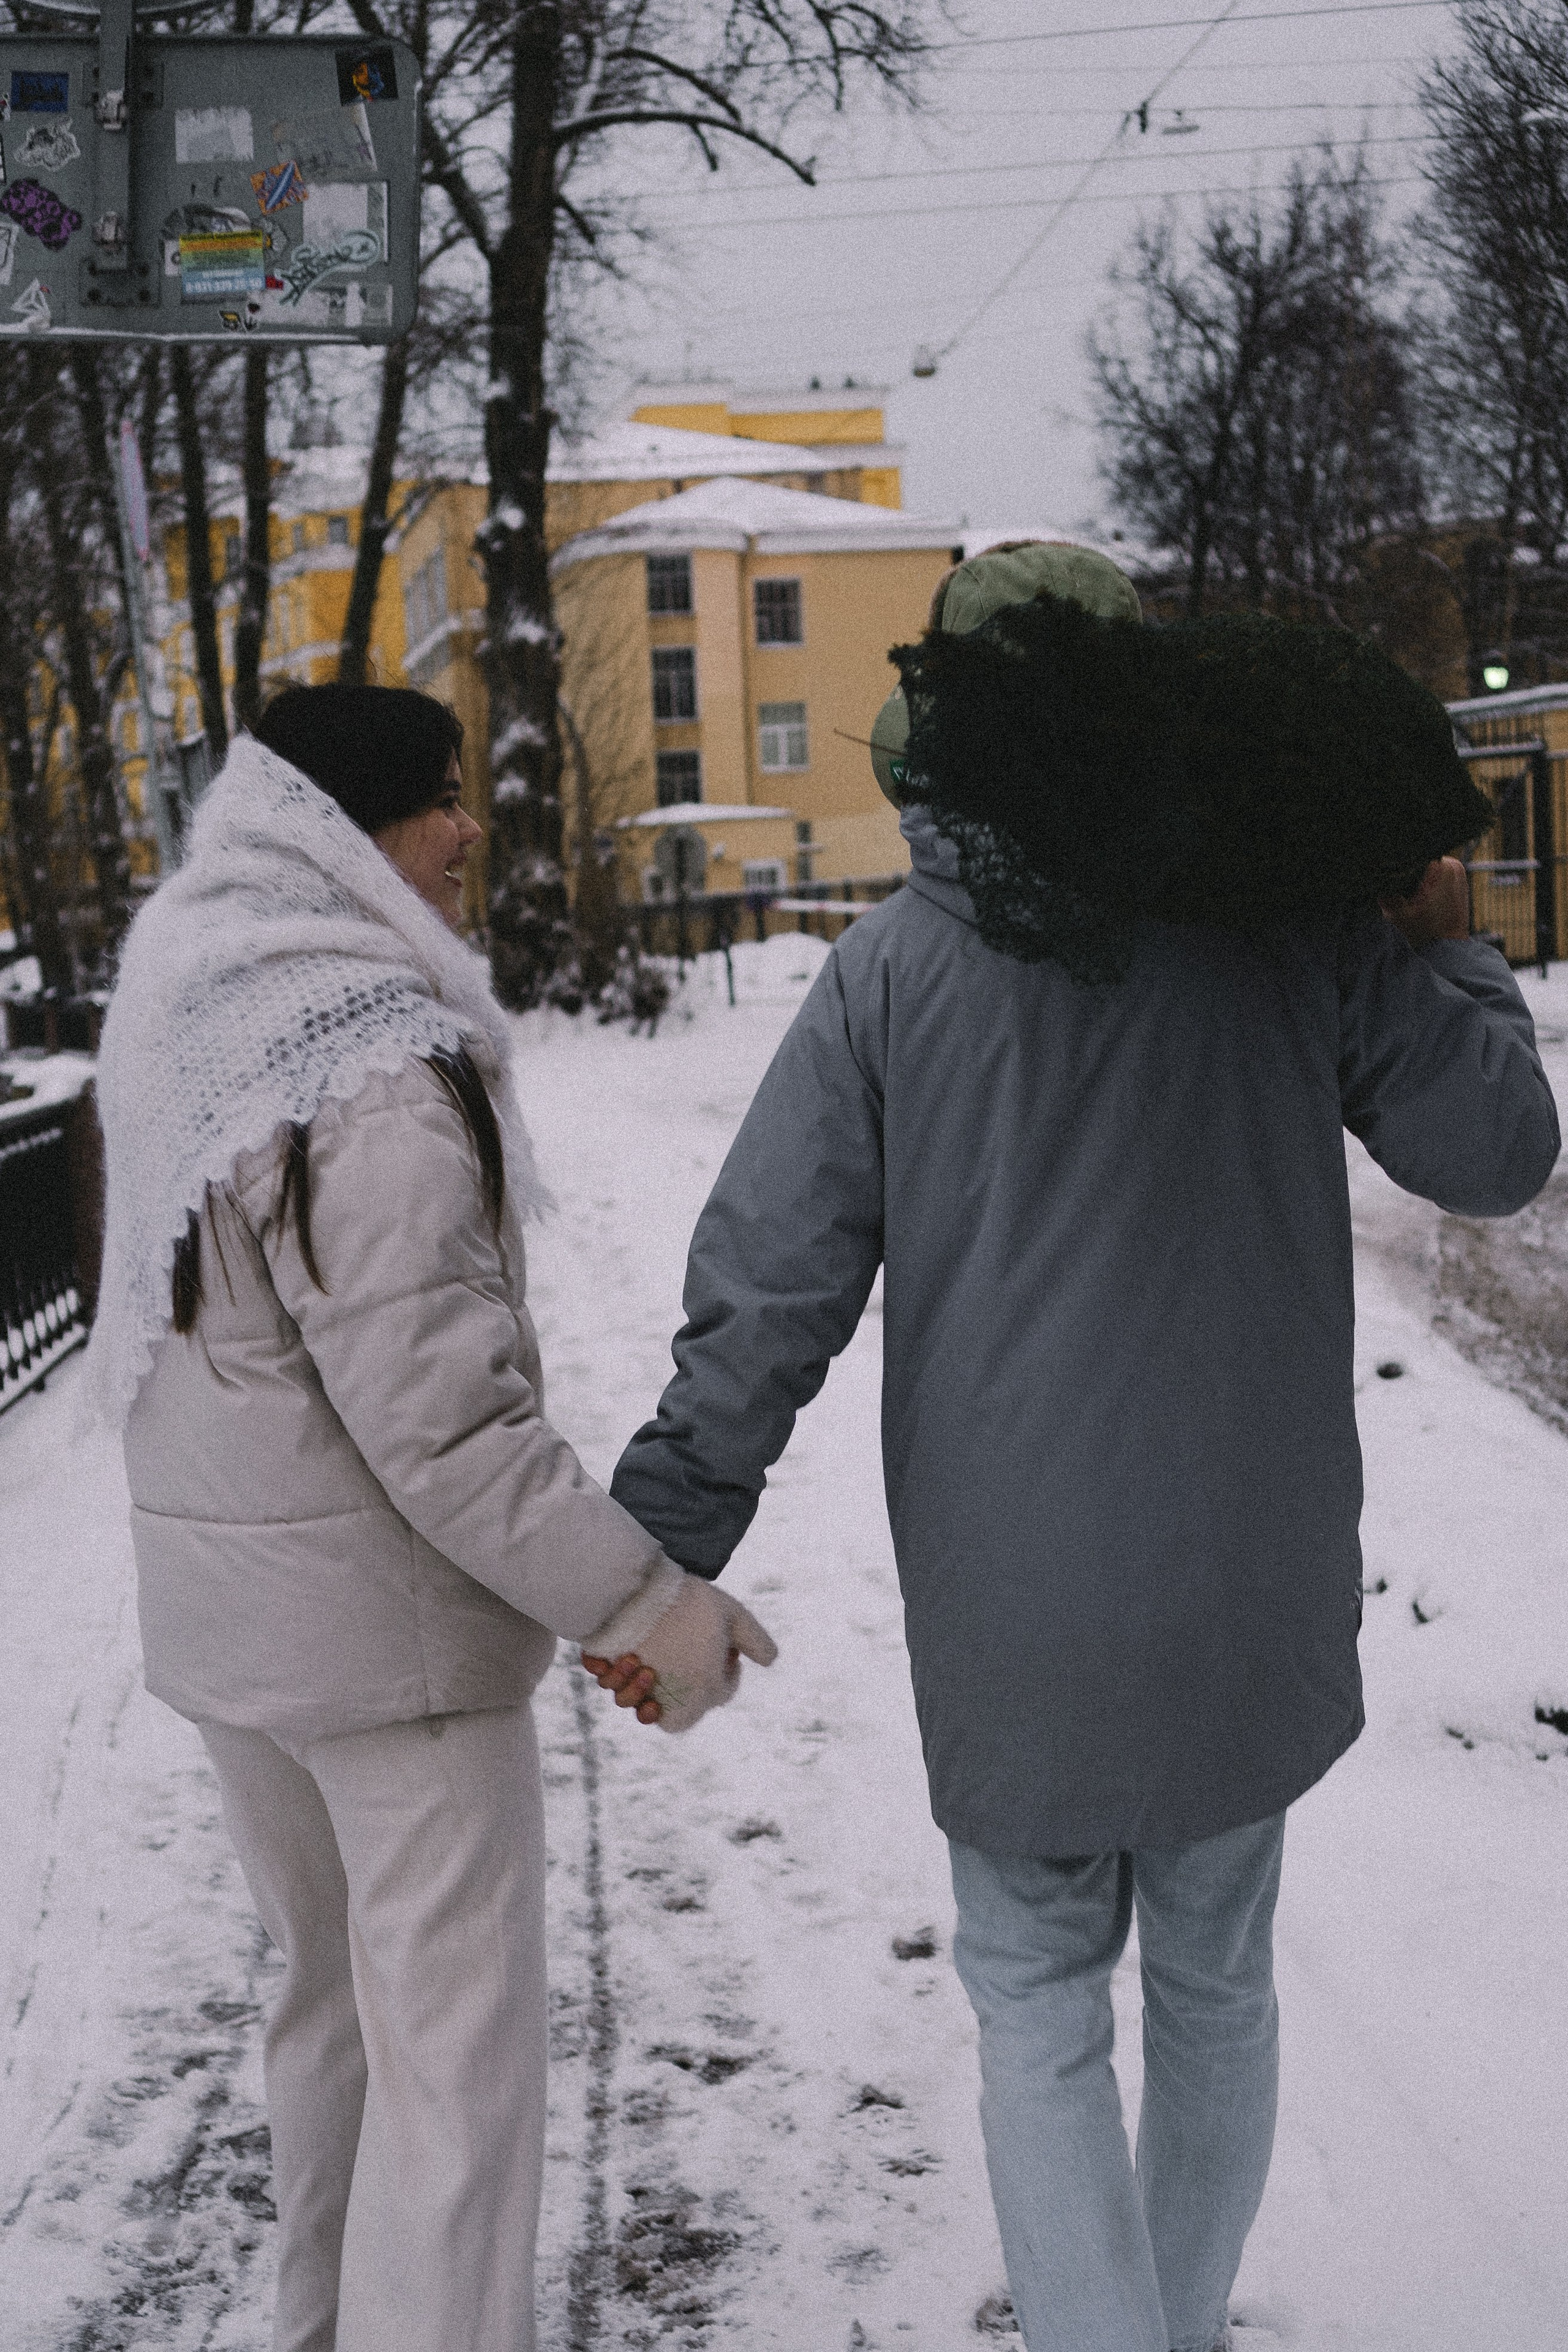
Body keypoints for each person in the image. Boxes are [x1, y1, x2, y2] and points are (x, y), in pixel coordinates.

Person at [589, 546, 1561, 2352]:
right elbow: (1499, 1155)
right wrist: (1455, 942)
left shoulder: (888, 976)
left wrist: (663, 1535)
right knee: (1217, 1987)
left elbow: (768, 1289)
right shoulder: (1297, 933)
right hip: (1246, 1587)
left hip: (1016, 1610)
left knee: (1035, 2006)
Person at [85, 682, 775, 2352]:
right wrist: (647, 1604)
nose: (468, 829)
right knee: (453, 2081)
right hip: (387, 1658)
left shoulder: (188, 985)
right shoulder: (364, 1054)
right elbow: (447, 1424)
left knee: (328, 2018)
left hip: (238, 1633)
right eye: (434, 799)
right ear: (343, 829)